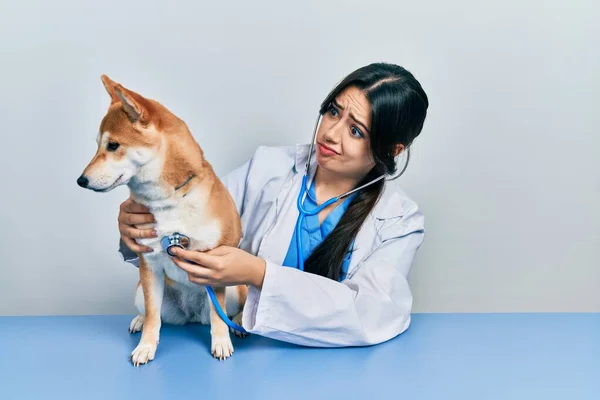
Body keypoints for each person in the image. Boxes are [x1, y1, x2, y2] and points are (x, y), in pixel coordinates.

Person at [117, 62, 429, 347]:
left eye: (355, 131)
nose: (331, 133)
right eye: (333, 111)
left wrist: (259, 274)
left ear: (392, 149)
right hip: (250, 353)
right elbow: (192, 228)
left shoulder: (400, 221)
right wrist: (141, 228)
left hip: (348, 368)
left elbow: (371, 314)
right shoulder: (267, 168)